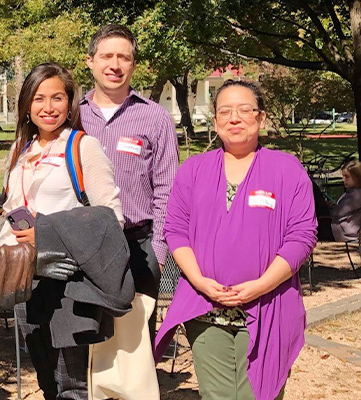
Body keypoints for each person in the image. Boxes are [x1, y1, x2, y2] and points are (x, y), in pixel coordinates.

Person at [154, 80, 317, 400]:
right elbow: (175, 228)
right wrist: (199, 280)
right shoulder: (194, 169)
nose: (235, 118)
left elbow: (302, 235)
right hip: (205, 310)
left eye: (245, 110)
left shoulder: (287, 169)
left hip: (267, 307)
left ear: (261, 118)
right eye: (225, 111)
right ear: (215, 120)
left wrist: (260, 285)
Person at [0, 63, 122, 400]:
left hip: (69, 280)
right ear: (27, 104)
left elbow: (111, 218)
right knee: (47, 378)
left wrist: (55, 236)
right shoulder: (19, 151)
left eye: (57, 98)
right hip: (26, 276)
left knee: (73, 383)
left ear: (70, 103)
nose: (48, 108)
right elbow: (11, 209)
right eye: (39, 98)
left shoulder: (83, 148)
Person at [80, 24, 178, 312]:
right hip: (80, 245)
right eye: (106, 56)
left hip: (138, 245)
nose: (114, 65)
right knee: (85, 345)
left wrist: (158, 254)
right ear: (90, 61)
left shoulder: (156, 118)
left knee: (135, 348)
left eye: (123, 57)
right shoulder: (73, 114)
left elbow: (167, 191)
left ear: (134, 64)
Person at [330, 159, 361, 239]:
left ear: (357, 177)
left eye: (347, 177)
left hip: (349, 237)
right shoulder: (350, 193)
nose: (343, 180)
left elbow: (337, 213)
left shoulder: (357, 195)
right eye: (343, 177)